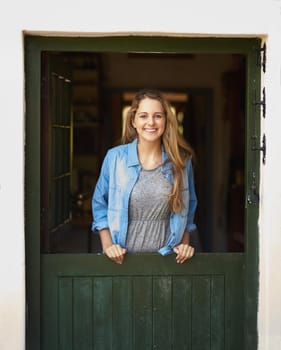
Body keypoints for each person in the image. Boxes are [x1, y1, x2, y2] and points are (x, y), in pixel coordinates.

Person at [92, 89, 197, 264]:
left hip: (168, 261)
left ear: (166, 121)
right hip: (121, 261)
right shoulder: (115, 158)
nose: (151, 122)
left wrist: (184, 245)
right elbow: (99, 202)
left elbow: (189, 206)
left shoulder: (181, 161)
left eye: (158, 116)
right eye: (143, 116)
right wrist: (108, 246)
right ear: (133, 121)